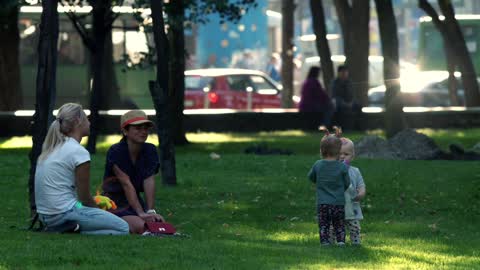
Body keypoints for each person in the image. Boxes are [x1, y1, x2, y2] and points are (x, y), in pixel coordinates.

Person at [35, 103, 129, 235]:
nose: (89, 122)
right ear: (78, 121)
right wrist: (98, 211)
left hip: (46, 216)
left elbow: (78, 202)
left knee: (86, 211)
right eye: (87, 118)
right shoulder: (78, 152)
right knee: (123, 228)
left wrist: (88, 207)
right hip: (64, 213)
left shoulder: (52, 148)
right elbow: (84, 198)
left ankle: (68, 228)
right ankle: (68, 231)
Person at [102, 110, 165, 234]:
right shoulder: (116, 151)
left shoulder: (150, 150)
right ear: (125, 131)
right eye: (137, 128)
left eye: (146, 128)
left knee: (157, 224)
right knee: (143, 227)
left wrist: (150, 211)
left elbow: (149, 180)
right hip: (114, 201)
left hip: (135, 199)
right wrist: (140, 213)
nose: (143, 131)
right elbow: (126, 183)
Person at [308, 128, 350, 245]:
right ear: (338, 152)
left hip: (323, 203)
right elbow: (347, 183)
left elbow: (311, 177)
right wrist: (341, 190)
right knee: (339, 223)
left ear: (321, 151)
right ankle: (341, 241)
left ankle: (325, 242)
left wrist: (319, 182)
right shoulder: (342, 167)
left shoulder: (318, 165)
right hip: (338, 202)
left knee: (324, 224)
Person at [329, 136, 366, 245]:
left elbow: (361, 185)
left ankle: (356, 242)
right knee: (332, 227)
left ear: (352, 156)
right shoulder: (330, 170)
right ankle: (331, 243)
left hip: (352, 204)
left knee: (354, 226)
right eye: (338, 154)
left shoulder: (355, 171)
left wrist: (361, 193)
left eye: (346, 154)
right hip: (335, 204)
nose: (342, 157)